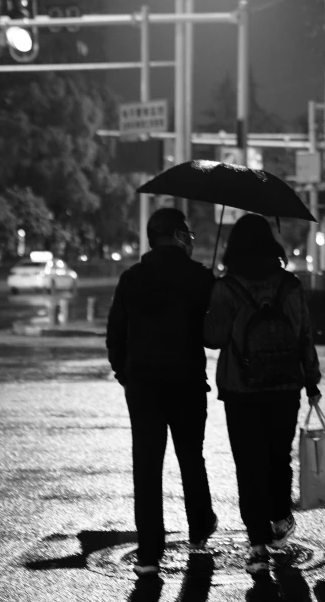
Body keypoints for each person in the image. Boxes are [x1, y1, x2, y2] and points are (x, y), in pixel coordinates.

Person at [204, 213, 321, 576]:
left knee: (248, 464)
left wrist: (211, 301)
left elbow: (212, 338)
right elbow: (304, 336)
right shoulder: (290, 285)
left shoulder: (227, 287)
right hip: (286, 386)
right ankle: (278, 518)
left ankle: (257, 547)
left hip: (242, 389)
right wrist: (312, 381)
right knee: (277, 457)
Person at [106, 208, 218, 577]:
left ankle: (149, 553)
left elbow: (115, 336)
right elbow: (213, 332)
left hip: (144, 387)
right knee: (191, 457)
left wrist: (127, 374)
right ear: (175, 234)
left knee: (147, 466)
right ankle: (200, 526)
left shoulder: (131, 278)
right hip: (187, 383)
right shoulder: (199, 278)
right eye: (185, 232)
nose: (189, 238)